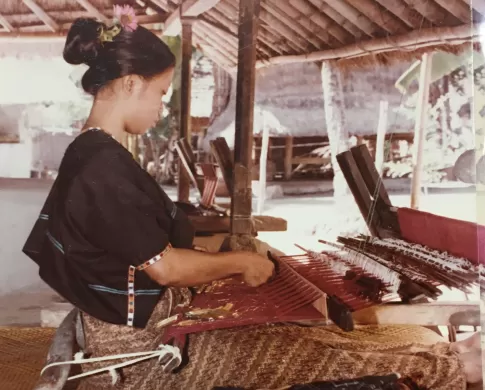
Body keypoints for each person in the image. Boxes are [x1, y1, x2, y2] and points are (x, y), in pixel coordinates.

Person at [24, 9, 481, 390]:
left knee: (294, 340)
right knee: (303, 356)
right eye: (161, 94)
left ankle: (442, 354)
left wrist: (216, 261)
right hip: (142, 350)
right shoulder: (101, 164)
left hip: (138, 326)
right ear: (130, 84)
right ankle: (455, 366)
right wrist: (241, 263)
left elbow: (135, 249)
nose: (162, 107)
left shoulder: (88, 152)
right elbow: (165, 267)